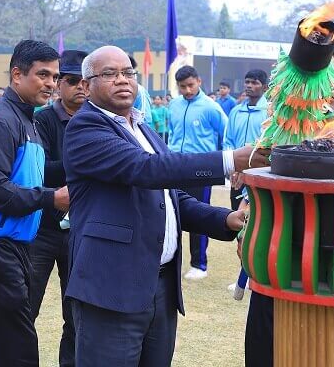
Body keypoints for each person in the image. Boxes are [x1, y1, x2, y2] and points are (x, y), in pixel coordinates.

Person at [63, 46, 267, 367]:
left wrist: (227, 219)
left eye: (128, 73)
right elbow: (146, 169)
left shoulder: (141, 127)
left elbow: (171, 198)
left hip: (160, 286)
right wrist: (231, 160)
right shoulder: (85, 128)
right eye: (110, 74)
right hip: (113, 286)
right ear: (87, 86)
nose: (122, 80)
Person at [0, 40, 70, 367]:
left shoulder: (28, 120)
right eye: (43, 75)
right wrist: (52, 198)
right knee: (14, 346)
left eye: (55, 77)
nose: (51, 83)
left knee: (1, 344)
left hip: (13, 245)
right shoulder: (1, 120)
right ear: (17, 75)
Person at [243, 40, 334, 367]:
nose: (330, 84)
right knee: (268, 351)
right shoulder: (281, 129)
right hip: (280, 261)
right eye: (323, 73)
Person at [32, 49, 87, 367]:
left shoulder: (97, 120)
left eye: (84, 81)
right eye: (72, 80)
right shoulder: (42, 120)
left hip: (82, 230)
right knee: (26, 308)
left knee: (77, 315)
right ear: (59, 84)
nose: (79, 87)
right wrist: (85, 164)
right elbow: (39, 169)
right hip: (42, 228)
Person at [167, 65, 228, 280]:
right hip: (174, 165)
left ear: (199, 82)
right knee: (170, 213)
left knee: (199, 215)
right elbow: (172, 133)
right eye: (182, 87)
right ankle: (170, 260)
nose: (187, 90)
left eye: (190, 85)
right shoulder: (173, 105)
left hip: (201, 168)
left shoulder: (211, 107)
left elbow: (226, 134)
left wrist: (221, 163)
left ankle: (199, 264)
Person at [222, 69, 269, 210]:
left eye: (254, 83)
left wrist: (247, 170)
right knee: (235, 214)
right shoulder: (236, 111)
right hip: (236, 174)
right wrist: (233, 167)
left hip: (259, 174)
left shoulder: (270, 112)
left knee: (256, 215)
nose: (249, 85)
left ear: (265, 87)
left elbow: (268, 144)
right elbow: (228, 140)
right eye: (247, 82)